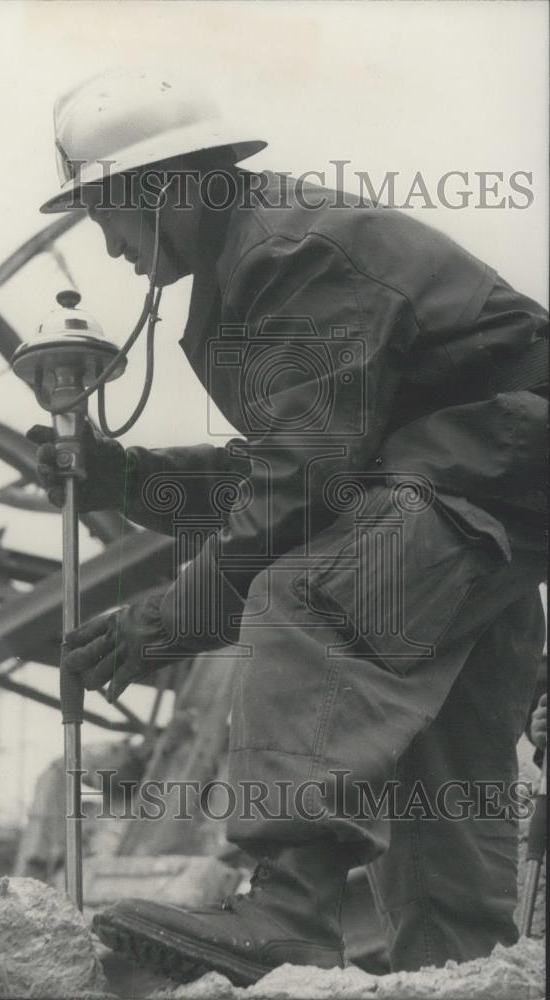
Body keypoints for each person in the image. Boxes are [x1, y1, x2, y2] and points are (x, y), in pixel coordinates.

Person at [28, 68, 548, 985]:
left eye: (104, 215)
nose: (109, 248)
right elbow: (313, 460)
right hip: (485, 502)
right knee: (431, 745)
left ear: (158, 191)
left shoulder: (289, 256)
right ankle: (466, 971)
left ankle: (290, 908)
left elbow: (304, 483)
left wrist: (164, 622)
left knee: (313, 597)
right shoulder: (264, 255)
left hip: (483, 475)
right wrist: (132, 481)